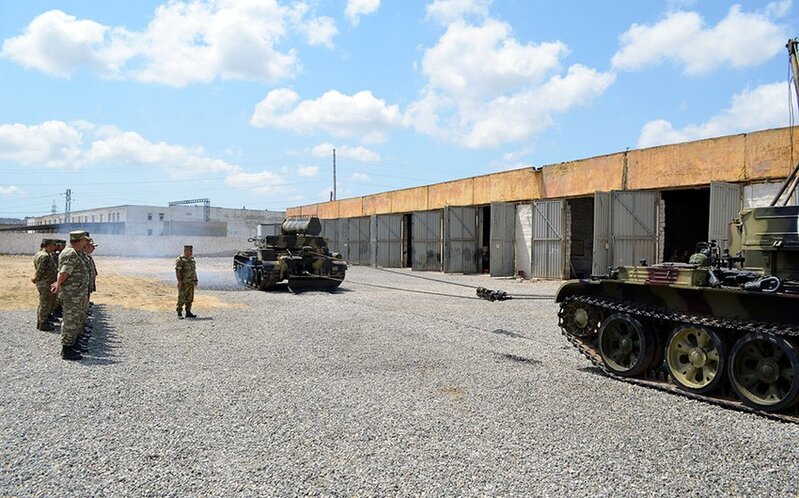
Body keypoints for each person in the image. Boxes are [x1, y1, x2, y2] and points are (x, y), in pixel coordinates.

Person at [51, 230, 91, 361]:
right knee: (70, 320)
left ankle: (72, 344)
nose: (87, 242)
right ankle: (67, 350)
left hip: (77, 294)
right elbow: (64, 272)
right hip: (71, 294)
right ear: (79, 241)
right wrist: (58, 283)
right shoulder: (70, 254)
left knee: (77, 319)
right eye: (85, 240)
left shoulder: (76, 253)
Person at [31, 238, 58, 331]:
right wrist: (36, 278)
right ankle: (43, 324)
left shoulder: (40, 254)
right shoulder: (45, 256)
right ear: (49, 245)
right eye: (53, 245)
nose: (54, 247)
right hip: (45, 283)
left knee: (44, 303)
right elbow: (40, 270)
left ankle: (42, 321)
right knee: (45, 304)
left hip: (45, 282)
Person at [175, 245, 198, 319]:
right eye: (190, 251)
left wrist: (196, 279)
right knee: (182, 297)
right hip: (184, 282)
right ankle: (179, 312)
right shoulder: (180, 260)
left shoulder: (192, 259)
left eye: (192, 251)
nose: (191, 252)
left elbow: (194, 271)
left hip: (191, 282)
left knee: (190, 298)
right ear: (185, 251)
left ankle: (188, 312)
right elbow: (178, 270)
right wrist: (179, 281)